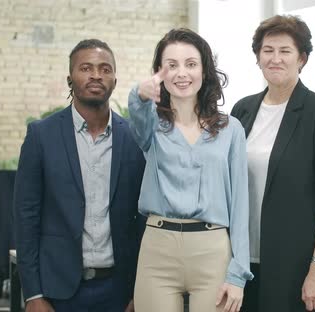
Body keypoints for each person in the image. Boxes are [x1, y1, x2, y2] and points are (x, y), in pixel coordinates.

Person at [13, 39, 146, 312]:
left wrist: (139, 290)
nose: (96, 74)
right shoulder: (41, 136)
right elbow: (25, 218)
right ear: (70, 78)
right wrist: (33, 294)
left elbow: (141, 220)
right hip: (56, 291)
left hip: (118, 291)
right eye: (86, 68)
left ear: (115, 80)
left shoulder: (134, 137)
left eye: (105, 68)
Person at [230, 15, 315, 312]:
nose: (275, 58)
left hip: (297, 267)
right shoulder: (242, 110)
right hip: (242, 265)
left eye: (285, 51)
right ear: (258, 58)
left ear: (302, 58)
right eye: (268, 50)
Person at [128, 28, 253, 312]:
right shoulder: (151, 125)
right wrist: (139, 93)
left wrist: (238, 272)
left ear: (205, 70)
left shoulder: (231, 129)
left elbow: (240, 205)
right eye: (171, 65)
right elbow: (136, 114)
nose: (181, 73)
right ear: (160, 72)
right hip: (158, 250)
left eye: (191, 64)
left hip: (213, 250)